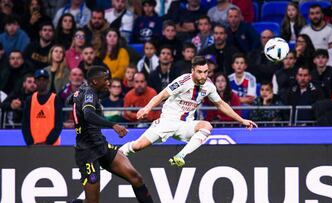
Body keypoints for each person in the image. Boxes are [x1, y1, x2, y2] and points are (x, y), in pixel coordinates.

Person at [120, 56, 257, 167]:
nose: (203, 75)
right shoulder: (182, 81)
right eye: (200, 72)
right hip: (167, 121)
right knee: (138, 146)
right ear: (193, 70)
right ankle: (116, 153)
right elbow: (161, 95)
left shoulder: (209, 86)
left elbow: (221, 104)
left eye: (206, 72)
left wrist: (242, 120)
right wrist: (147, 108)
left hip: (186, 125)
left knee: (207, 126)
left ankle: (180, 156)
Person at [69, 66, 154, 203]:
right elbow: (88, 114)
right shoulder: (89, 93)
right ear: (95, 81)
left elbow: (71, 99)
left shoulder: (83, 91)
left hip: (101, 144)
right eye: (106, 79)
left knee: (136, 178)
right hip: (87, 151)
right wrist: (112, 125)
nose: (108, 82)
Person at [22, 69, 62, 145]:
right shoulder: (29, 100)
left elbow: (58, 125)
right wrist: (30, 143)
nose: (41, 82)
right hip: (33, 146)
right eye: (39, 80)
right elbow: (25, 124)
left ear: (48, 81)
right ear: (35, 81)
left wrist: (47, 143)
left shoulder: (55, 99)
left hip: (52, 146)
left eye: (44, 79)